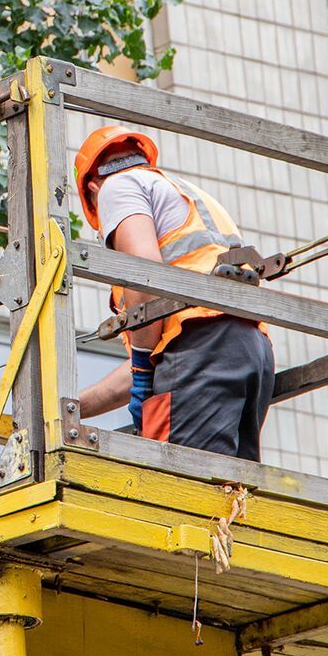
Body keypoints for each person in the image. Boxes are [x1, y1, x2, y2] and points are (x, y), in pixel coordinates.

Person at [71, 126, 274, 460]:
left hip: (202, 351)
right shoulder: (185, 195)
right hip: (251, 349)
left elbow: (145, 273)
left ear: (92, 190)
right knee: (232, 494)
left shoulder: (116, 187)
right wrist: (73, 408)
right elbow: (161, 357)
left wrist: (141, 368)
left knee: (187, 491)